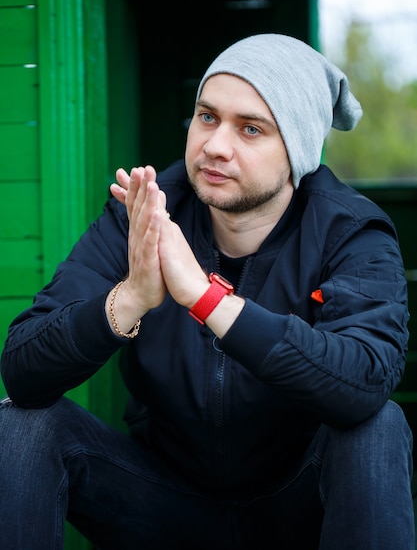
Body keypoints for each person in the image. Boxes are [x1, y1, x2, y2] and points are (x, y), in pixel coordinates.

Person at [0, 33, 414, 550]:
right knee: (22, 423)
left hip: (296, 507)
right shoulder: (146, 213)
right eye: (208, 116)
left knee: (378, 427)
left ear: (298, 150)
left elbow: (364, 381)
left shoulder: (349, 231)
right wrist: (128, 298)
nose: (216, 144)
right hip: (164, 505)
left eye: (251, 129)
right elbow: (22, 369)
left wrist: (205, 297)